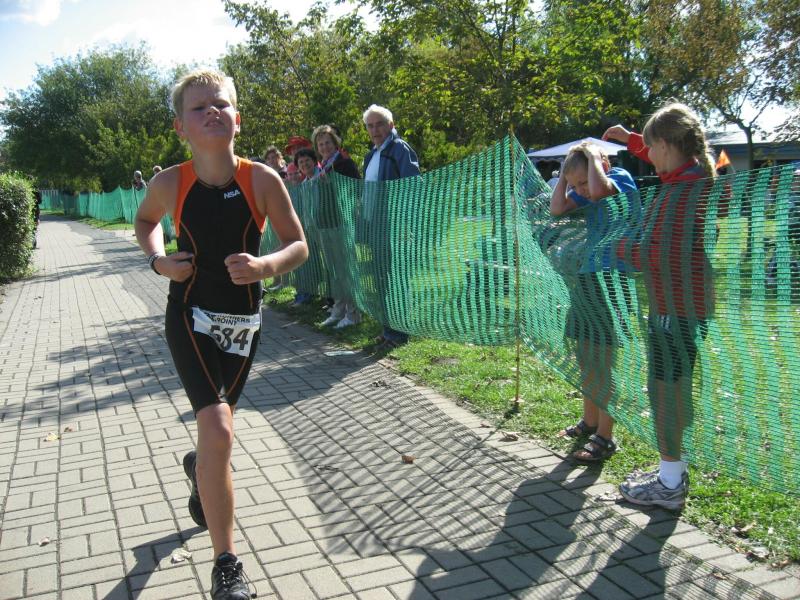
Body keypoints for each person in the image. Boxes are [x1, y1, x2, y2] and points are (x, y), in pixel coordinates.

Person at [133, 69, 307, 599]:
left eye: (221, 104)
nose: (212, 112)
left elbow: (298, 244)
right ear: (180, 126)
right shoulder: (170, 183)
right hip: (188, 316)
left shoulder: (262, 180)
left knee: (215, 436)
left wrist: (265, 267)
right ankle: (226, 566)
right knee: (220, 427)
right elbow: (145, 223)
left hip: (244, 323)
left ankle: (199, 470)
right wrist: (160, 261)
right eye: (198, 107)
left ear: (238, 118)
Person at [603, 102, 716, 510]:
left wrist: (619, 248)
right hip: (681, 303)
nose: (647, 154)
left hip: (676, 306)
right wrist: (630, 138)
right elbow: (656, 151)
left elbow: (663, 253)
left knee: (665, 388)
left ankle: (669, 484)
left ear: (667, 144)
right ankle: (672, 470)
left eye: (651, 146)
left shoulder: (683, 191)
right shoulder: (688, 175)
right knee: (672, 384)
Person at [550, 141, 638, 462]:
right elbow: (556, 208)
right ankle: (589, 422)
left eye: (582, 183)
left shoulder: (619, 178)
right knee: (586, 354)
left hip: (612, 279)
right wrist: (566, 176)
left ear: (602, 165)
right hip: (588, 278)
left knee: (603, 360)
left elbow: (599, 191)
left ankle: (605, 436)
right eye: (576, 186)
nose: (581, 191)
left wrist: (591, 156)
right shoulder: (583, 188)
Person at [362, 104, 420, 350]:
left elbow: (412, 185)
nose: (375, 130)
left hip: (395, 226)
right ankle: (387, 330)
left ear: (391, 125)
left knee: (396, 280)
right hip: (375, 226)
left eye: (379, 124)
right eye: (370, 126)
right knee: (381, 279)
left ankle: (398, 333)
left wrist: (405, 222)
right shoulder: (371, 155)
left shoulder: (400, 149)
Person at [312, 124, 362, 328]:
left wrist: (332, 183)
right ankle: (338, 310)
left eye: (328, 143)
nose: (324, 147)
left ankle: (353, 314)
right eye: (320, 144)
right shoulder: (322, 166)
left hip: (342, 222)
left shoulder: (344, 163)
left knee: (346, 269)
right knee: (334, 270)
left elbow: (356, 190)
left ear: (335, 143)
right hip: (325, 224)